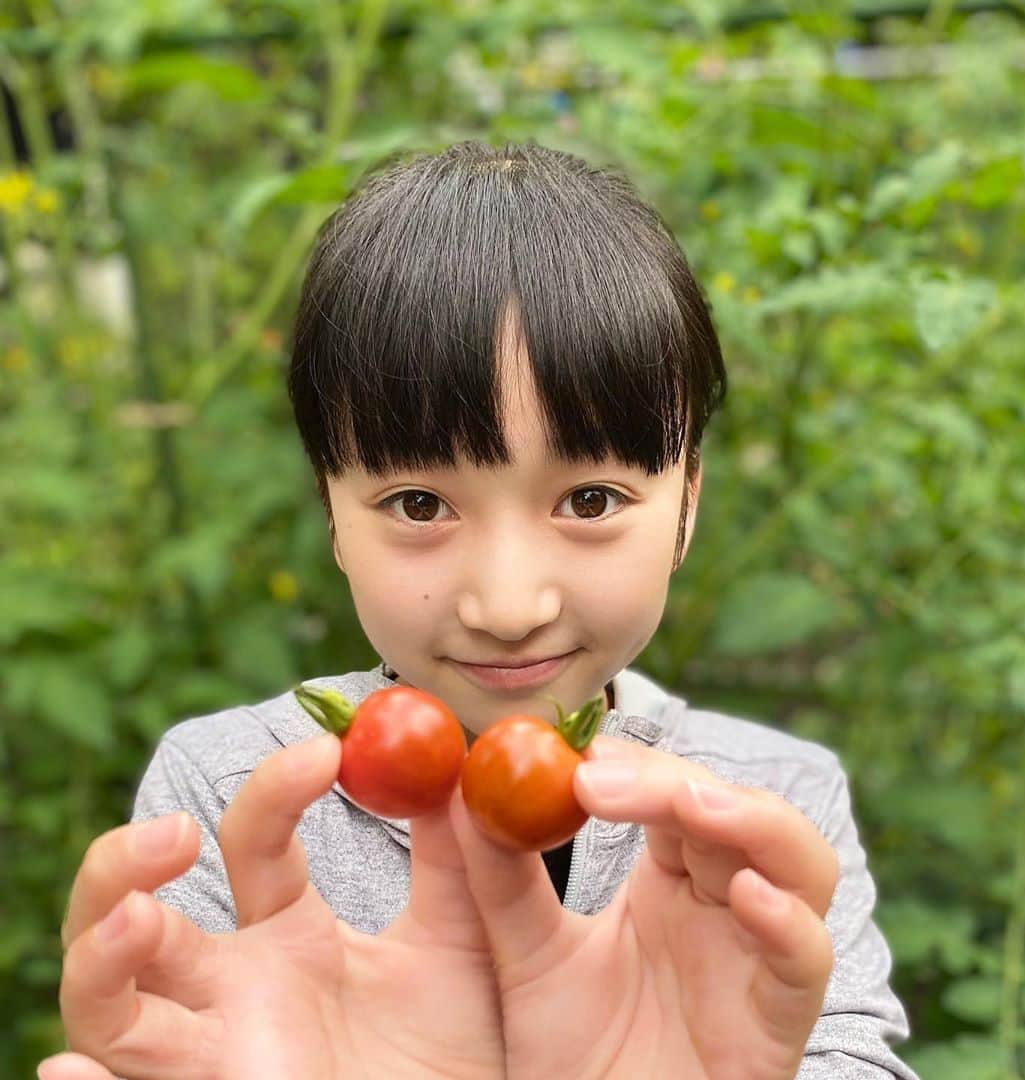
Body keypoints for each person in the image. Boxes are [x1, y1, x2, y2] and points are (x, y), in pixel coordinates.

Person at [40, 141, 919, 1080]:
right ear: (331, 511)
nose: (508, 606)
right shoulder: (230, 793)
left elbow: (848, 1052)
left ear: (688, 506)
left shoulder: (764, 806)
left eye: (591, 501)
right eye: (419, 505)